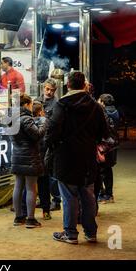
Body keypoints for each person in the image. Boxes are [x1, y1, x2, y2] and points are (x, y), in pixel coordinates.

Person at [45, 71, 108, 244]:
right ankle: (91, 232)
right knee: (88, 195)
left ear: (68, 85)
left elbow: (52, 131)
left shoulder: (62, 104)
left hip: (66, 157)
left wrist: (50, 145)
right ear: (84, 85)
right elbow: (104, 132)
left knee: (69, 196)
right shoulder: (96, 106)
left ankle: (71, 234)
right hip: (88, 157)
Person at [11, 94, 46, 228]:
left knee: (18, 186)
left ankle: (18, 217)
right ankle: (31, 219)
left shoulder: (12, 119)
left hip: (17, 155)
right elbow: (37, 135)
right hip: (30, 157)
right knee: (31, 188)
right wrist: (43, 121)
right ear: (26, 105)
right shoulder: (26, 119)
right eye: (31, 104)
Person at [36, 78, 62, 211]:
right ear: (43, 88)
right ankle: (43, 198)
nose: (49, 92)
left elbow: (56, 125)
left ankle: (56, 200)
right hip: (39, 143)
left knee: (51, 174)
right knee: (42, 175)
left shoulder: (57, 104)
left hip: (50, 143)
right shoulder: (36, 100)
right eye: (47, 89)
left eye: (52, 90)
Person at [97, 93, 120, 204]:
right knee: (108, 169)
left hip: (103, 146)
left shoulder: (103, 113)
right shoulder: (115, 112)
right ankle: (109, 194)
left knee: (101, 170)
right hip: (113, 145)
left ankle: (103, 194)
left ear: (102, 102)